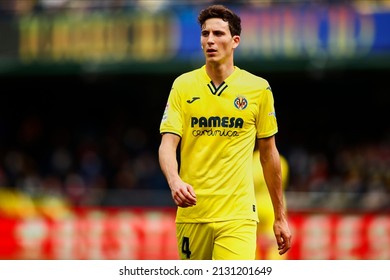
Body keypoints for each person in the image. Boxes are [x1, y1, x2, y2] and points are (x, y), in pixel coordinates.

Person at [158, 4, 291, 260]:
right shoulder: (183, 86)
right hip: (192, 214)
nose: (210, 40)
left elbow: (268, 154)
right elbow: (167, 144)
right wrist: (174, 181)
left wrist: (280, 217)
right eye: (205, 34)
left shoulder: (257, 89)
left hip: (238, 216)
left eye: (218, 34)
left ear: (235, 41)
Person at [253, 145, 289, 260]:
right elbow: (282, 183)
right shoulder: (281, 161)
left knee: (253, 242)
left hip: (254, 206)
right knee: (275, 242)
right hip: (272, 206)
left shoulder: (251, 160)